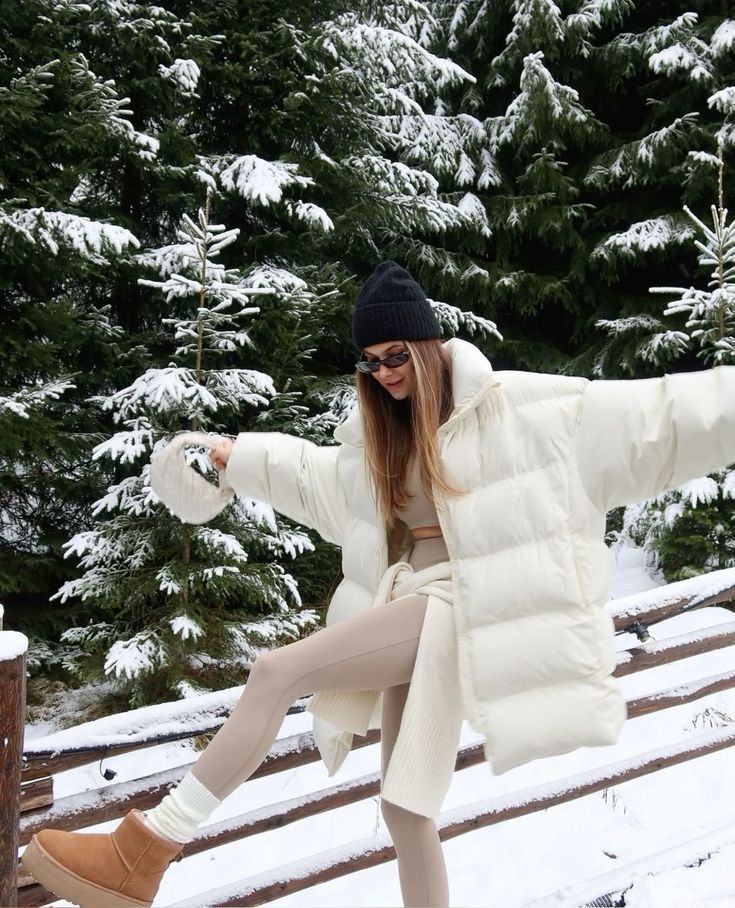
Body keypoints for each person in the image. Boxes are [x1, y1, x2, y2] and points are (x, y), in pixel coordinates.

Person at [21, 260, 735, 908]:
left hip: (466, 605)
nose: (386, 373)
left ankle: (142, 850)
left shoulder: (529, 409)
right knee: (405, 809)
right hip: (411, 604)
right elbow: (314, 479)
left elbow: (662, 420)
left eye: (397, 356)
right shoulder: (381, 437)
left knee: (277, 670)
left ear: (427, 348)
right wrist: (234, 455)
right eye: (370, 363)